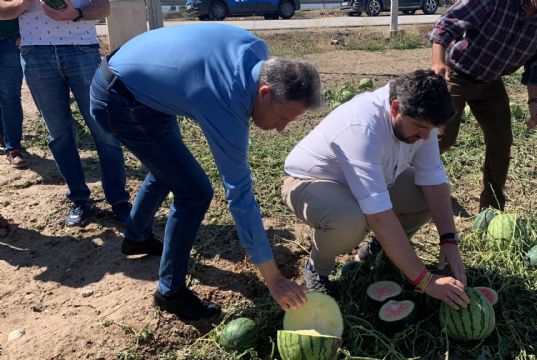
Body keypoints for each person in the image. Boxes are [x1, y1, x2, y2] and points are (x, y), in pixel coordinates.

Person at [89, 24, 323, 320]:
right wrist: (274, 279)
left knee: (169, 167)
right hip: (118, 99)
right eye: (281, 118)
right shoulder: (226, 99)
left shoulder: (257, 52)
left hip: (139, 87)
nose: (280, 129)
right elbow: (240, 195)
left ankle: (136, 236)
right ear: (264, 92)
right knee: (194, 192)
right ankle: (169, 291)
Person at [282, 69, 470, 310]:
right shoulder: (362, 127)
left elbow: (433, 182)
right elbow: (379, 217)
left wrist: (449, 239)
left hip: (373, 178)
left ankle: (380, 251)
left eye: (430, 130)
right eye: (419, 128)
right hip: (311, 181)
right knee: (350, 220)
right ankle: (318, 268)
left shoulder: (423, 120)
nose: (425, 137)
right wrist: (426, 281)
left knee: (424, 196)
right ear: (394, 108)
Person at [429, 0, 537, 211]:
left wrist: (534, 102)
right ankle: (407, 178)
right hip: (456, 74)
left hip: (491, 82)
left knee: (501, 143)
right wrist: (438, 63)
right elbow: (446, 23)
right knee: (442, 137)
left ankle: (491, 209)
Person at [16, 0, 131, 226]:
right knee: (58, 134)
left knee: (105, 129)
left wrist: (75, 14)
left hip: (82, 49)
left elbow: (103, 7)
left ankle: (119, 201)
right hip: (35, 53)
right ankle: (79, 199)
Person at [0, 18, 28, 168]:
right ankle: (3, 136)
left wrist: (26, 33)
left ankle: (13, 149)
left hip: (10, 39)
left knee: (10, 97)